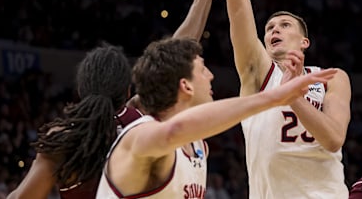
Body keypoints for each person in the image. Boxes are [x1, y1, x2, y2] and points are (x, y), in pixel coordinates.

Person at [7, 0, 230, 199]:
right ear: (127, 91)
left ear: (81, 89)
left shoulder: (63, 138)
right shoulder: (138, 122)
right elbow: (175, 57)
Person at [188, 0, 352, 198]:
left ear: (304, 42)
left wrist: (294, 96)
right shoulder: (259, 73)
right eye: (269, 28)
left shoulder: (331, 78)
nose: (274, 29)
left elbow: (334, 138)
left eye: (284, 25)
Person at [96, 37, 338, 198]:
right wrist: (274, 97)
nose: (211, 76)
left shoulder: (198, 147)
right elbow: (173, 130)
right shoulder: (140, 135)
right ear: (185, 86)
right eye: (202, 69)